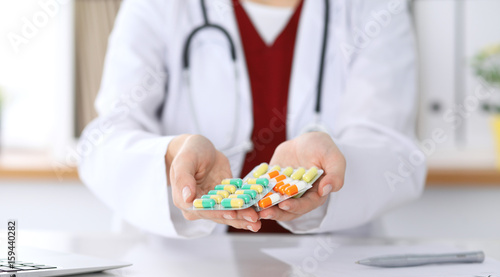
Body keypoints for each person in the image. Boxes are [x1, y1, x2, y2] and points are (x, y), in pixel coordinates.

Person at [78, 0, 426, 238]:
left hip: (328, 268)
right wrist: (172, 155)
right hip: (180, 272)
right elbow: (105, 139)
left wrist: (326, 165)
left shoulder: (373, 7)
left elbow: (393, 151)